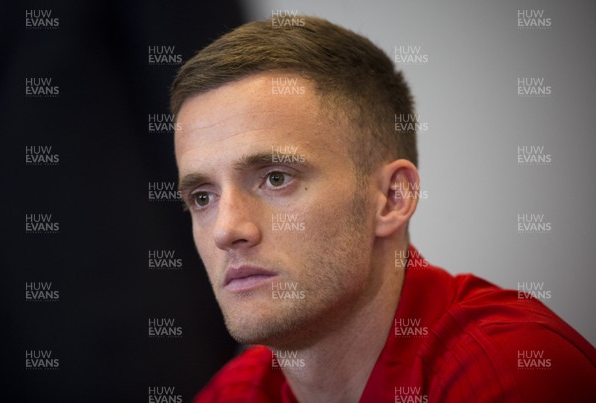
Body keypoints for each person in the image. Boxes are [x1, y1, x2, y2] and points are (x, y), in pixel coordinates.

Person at [170, 16, 596, 403]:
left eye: (276, 178)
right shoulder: (236, 392)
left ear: (393, 198)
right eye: (203, 197)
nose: (226, 230)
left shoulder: (509, 372)